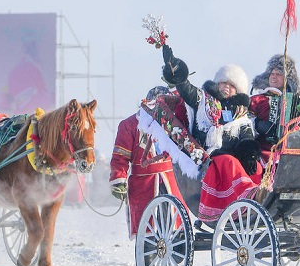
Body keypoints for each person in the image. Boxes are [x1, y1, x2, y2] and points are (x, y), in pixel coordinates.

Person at [161, 45, 263, 222]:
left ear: (238, 91)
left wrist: (249, 155)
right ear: (217, 83)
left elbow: (246, 137)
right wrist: (177, 72)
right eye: (224, 83)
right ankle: (246, 200)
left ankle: (259, 200)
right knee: (229, 162)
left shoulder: (241, 115)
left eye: (232, 85)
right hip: (209, 158)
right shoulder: (203, 101)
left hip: (234, 158)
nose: (227, 87)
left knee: (257, 167)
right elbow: (187, 90)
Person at [109, 86, 186, 239]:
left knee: (175, 223)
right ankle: (147, 255)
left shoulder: (173, 122)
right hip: (143, 183)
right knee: (147, 227)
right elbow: (120, 157)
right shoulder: (129, 125)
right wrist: (118, 178)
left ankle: (179, 247)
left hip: (171, 181)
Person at [248, 54, 300, 158]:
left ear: (287, 79)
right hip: (262, 151)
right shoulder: (257, 99)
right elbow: (243, 120)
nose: (273, 76)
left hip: (289, 154)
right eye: (272, 73)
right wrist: (257, 125)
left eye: (278, 74)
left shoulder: (297, 103)